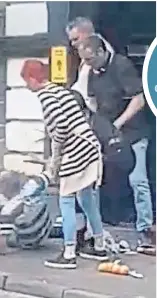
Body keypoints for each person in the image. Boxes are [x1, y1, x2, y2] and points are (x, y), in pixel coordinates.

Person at [20, 59, 108, 269]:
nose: (26, 85)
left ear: (33, 79)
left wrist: (56, 158)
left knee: (66, 199)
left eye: (26, 80)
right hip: (89, 145)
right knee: (86, 199)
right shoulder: (61, 91)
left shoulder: (46, 96)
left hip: (75, 150)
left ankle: (69, 253)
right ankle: (99, 245)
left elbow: (60, 127)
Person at [77, 35, 154, 250]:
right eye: (85, 61)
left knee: (137, 180)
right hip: (107, 134)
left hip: (134, 132)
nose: (88, 65)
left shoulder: (121, 66)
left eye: (91, 59)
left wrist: (117, 124)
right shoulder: (93, 72)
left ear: (101, 52)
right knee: (97, 179)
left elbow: (139, 99)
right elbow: (92, 100)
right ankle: (96, 229)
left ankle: (145, 230)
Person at [65, 17, 114, 100]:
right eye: (71, 41)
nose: (73, 44)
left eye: (76, 39)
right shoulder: (84, 51)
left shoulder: (101, 54)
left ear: (88, 34)